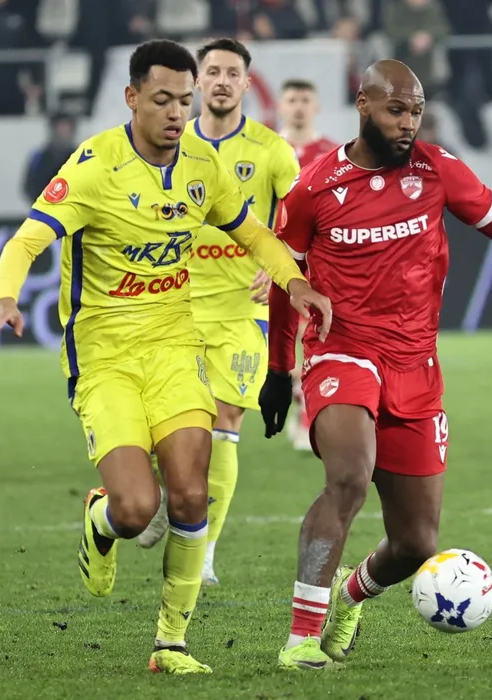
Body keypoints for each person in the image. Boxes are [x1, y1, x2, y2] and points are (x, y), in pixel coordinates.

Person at [258, 60, 492, 670]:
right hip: (343, 351)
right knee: (349, 477)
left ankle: (349, 596)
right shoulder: (314, 189)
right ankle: (301, 638)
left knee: (415, 543)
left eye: (415, 111)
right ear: (363, 105)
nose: (407, 123)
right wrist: (280, 371)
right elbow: (287, 285)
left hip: (416, 366)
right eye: (395, 110)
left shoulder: (437, 170)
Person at [0, 40, 331, 675]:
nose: (176, 113)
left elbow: (252, 231)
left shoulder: (202, 164)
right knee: (138, 509)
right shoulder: (94, 166)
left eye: (184, 101)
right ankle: (101, 521)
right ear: (132, 97)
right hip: (105, 356)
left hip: (174, 346)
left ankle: (171, 643)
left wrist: (294, 282)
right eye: (162, 99)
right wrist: (5, 296)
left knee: (191, 496)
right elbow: (27, 240)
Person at [135, 38, 302, 587]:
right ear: (197, 82)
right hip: (173, 304)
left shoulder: (273, 151)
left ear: (247, 84)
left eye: (233, 72)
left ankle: (203, 549)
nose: (223, 81)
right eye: (213, 72)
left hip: (241, 311)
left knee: (226, 421)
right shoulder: (169, 144)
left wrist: (282, 259)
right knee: (169, 424)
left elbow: (305, 219)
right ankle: (168, 496)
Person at [275, 78, 338, 451]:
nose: (298, 106)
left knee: (311, 336)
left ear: (315, 107)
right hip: (272, 259)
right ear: (281, 106)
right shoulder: (267, 150)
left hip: (316, 260)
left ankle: (305, 414)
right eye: (292, 99)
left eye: (305, 99)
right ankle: (297, 402)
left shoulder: (331, 153)